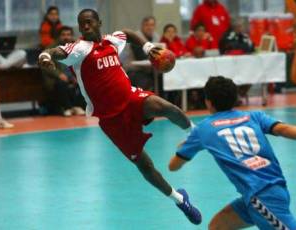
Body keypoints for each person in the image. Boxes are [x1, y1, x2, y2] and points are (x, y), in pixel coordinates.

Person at [38, 9, 201, 224]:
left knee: (165, 107)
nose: (85, 26)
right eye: (81, 24)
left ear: (99, 22)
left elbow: (128, 33)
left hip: (132, 99)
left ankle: (196, 134)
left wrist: (148, 46)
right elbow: (54, 51)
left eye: (89, 22)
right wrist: (45, 56)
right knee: (145, 165)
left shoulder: (111, 41)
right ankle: (180, 200)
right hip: (111, 119)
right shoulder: (78, 49)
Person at [169, 76, 296, 230]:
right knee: (217, 226)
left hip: (262, 197)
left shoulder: (203, 129)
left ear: (208, 101)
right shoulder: (254, 116)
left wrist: (188, 145)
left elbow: (173, 166)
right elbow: (283, 129)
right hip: (265, 192)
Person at [42, 26, 86, 116]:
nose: (66, 37)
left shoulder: (77, 47)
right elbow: (45, 65)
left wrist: (76, 75)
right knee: (60, 84)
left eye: (68, 35)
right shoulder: (51, 48)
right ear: (59, 36)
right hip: (57, 78)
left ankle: (78, 107)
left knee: (83, 81)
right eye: (63, 35)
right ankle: (68, 108)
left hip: (72, 76)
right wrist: (59, 74)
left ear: (72, 36)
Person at [219, 18, 255, 105]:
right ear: (234, 27)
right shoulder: (227, 36)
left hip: (244, 64)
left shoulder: (245, 37)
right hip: (228, 65)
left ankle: (239, 94)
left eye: (241, 26)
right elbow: (227, 47)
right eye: (238, 26)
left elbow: (250, 47)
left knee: (252, 74)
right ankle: (233, 96)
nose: (240, 28)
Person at [126, 16, 161, 91]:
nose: (150, 27)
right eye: (147, 25)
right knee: (147, 82)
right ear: (142, 26)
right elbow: (141, 57)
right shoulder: (135, 37)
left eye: (152, 25)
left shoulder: (156, 37)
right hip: (135, 70)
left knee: (164, 79)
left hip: (150, 70)